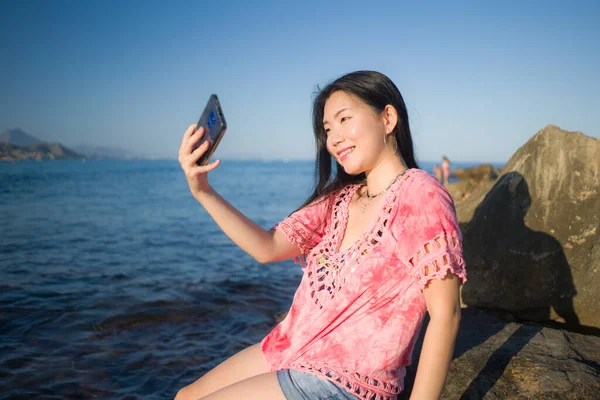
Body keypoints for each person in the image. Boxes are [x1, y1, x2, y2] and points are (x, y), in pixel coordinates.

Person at [175, 71, 467, 400]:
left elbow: (446, 313)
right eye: (328, 129)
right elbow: (267, 247)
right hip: (289, 348)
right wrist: (202, 191)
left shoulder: (421, 194)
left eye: (344, 119)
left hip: (347, 378)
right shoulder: (337, 200)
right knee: (185, 396)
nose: (334, 138)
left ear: (388, 117)